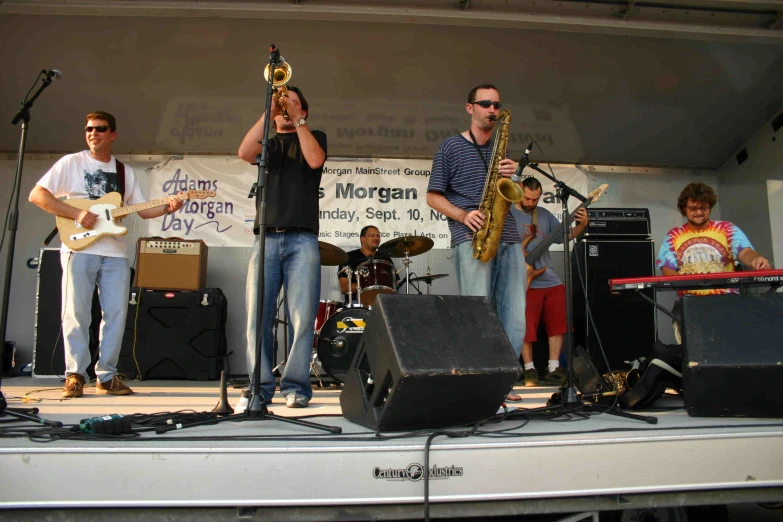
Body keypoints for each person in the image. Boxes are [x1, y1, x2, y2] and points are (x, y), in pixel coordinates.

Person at [28, 111, 183, 398]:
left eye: (100, 129)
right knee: (76, 311)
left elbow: (140, 208)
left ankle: (106, 375)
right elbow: (37, 196)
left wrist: (167, 207)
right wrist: (77, 213)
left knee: (115, 313)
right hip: (80, 247)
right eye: (89, 129)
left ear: (112, 134)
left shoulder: (125, 172)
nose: (93, 134)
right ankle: (74, 374)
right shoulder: (71, 163)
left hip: (115, 253)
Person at [426, 83, 525, 402]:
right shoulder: (450, 147)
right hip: (471, 238)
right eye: (485, 104)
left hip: (509, 238)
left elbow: (512, 196)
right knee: (477, 315)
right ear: (470, 108)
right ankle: (478, 383)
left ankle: (502, 382)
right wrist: (462, 215)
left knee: (514, 317)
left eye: (496, 105)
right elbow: (431, 196)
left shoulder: (503, 153)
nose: (492, 110)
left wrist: (514, 176)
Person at [238, 86, 327, 408]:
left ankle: (296, 387)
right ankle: (258, 388)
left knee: (302, 318)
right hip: (266, 237)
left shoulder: (314, 136)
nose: (287, 106)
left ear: (304, 109)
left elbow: (315, 161)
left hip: (302, 239)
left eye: (294, 102)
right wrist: (269, 110)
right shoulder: (268, 142)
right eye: (282, 102)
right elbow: (244, 153)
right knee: (256, 317)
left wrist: (297, 119)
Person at [656, 182, 770, 343]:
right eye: (693, 208)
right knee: (695, 356)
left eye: (704, 208)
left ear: (710, 208)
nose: (699, 213)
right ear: (684, 209)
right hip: (690, 304)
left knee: (732, 350)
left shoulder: (727, 229)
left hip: (728, 302)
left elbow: (745, 252)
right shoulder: (674, 235)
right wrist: (688, 282)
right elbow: (667, 270)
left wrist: (756, 260)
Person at [510, 177, 588, 387]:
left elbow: (564, 236)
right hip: (522, 280)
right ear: (519, 192)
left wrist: (581, 225)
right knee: (526, 326)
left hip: (549, 279)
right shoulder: (508, 214)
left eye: (535, 199)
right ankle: (529, 370)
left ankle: (554, 368)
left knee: (558, 323)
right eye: (527, 198)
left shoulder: (543, 215)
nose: (531, 203)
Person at [337, 225, 398, 304]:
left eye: (378, 236)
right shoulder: (348, 257)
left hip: (382, 302)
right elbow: (344, 287)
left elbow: (394, 284)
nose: (376, 238)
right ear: (362, 239)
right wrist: (370, 287)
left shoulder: (385, 258)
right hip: (357, 302)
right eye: (371, 235)